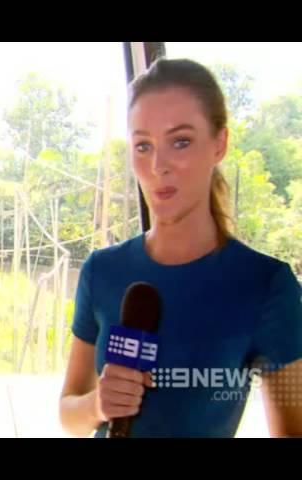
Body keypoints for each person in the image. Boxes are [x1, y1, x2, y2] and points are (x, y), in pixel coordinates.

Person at [59, 57, 302, 438]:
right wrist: (98, 404)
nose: (158, 165)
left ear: (219, 144)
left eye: (181, 142)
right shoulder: (101, 271)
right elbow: (68, 413)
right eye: (143, 146)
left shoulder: (267, 285)